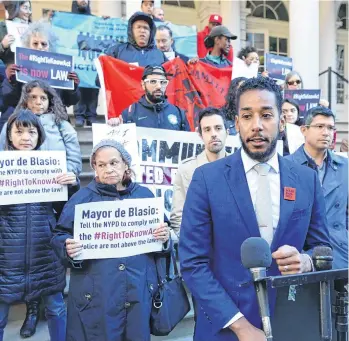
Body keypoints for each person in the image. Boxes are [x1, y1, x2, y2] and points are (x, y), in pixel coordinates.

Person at [179, 76, 331, 341]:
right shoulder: (206, 179)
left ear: (282, 122)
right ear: (236, 123)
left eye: (266, 115)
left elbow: (322, 249)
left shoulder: (306, 179)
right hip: (224, 327)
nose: (256, 126)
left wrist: (306, 261)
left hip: (293, 322)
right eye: (247, 116)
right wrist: (240, 326)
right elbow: (193, 264)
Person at [51, 139, 171, 341]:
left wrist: (165, 238)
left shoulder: (145, 196)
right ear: (95, 169)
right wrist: (67, 247)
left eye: (114, 163)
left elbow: (163, 238)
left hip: (137, 291)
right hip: (97, 295)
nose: (108, 169)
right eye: (102, 164)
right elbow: (59, 236)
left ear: (125, 164)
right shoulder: (81, 199)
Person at [0, 80, 81, 337]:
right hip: (7, 252)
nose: (26, 138)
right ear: (9, 136)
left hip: (44, 249)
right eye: (20, 132)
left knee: (56, 308)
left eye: (32, 133)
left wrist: (73, 184)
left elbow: (62, 208)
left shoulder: (52, 169)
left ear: (40, 136)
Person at [287, 106, 348, 269]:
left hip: (340, 254)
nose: (326, 132)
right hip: (301, 257)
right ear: (304, 130)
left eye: (330, 128)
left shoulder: (345, 167)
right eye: (320, 126)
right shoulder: (286, 166)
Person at [1, 21, 81, 129]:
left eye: (44, 44)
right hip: (25, 124)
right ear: (27, 46)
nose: (39, 47)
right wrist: (10, 82)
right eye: (35, 43)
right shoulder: (18, 68)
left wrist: (73, 88)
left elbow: (70, 101)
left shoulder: (60, 67)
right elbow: (7, 100)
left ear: (50, 46)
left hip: (54, 124)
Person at [171, 107, 229, 237]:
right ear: (200, 135)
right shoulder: (187, 170)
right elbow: (178, 217)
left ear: (227, 132)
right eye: (207, 130)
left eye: (218, 128)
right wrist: (194, 247)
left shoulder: (239, 169)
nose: (214, 134)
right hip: (199, 248)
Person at [109, 65, 190, 131]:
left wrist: (197, 136)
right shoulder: (130, 113)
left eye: (163, 82)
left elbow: (187, 146)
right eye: (153, 81)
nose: (159, 86)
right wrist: (114, 127)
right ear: (143, 84)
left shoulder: (179, 113)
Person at [71, 0, 100, 127]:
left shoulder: (95, 20)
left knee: (93, 86)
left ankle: (91, 115)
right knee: (78, 84)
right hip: (77, 58)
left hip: (91, 58)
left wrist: (105, 22)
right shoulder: (68, 20)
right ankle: (79, 115)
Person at [0, 1, 32, 66]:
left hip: (28, 70)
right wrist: (2, 45)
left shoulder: (32, 29)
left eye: (29, 8)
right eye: (25, 8)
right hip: (7, 71)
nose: (29, 12)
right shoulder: (1, 27)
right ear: (15, 8)